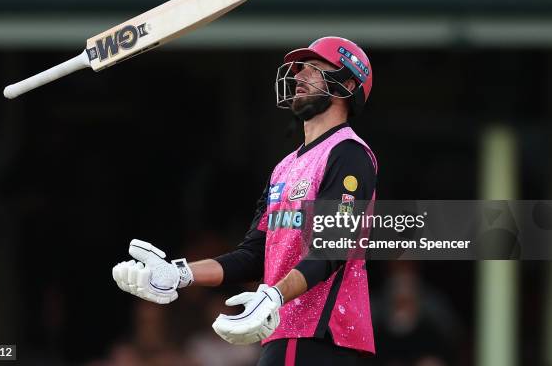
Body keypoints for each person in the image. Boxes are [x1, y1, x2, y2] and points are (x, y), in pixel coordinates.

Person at [113, 36, 378, 365]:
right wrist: (179, 274)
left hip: (320, 334)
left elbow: (332, 246)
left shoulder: (348, 154)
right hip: (282, 331)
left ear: (347, 84)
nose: (298, 76)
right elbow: (254, 254)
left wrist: (274, 294)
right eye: (298, 69)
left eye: (313, 69)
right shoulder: (284, 168)